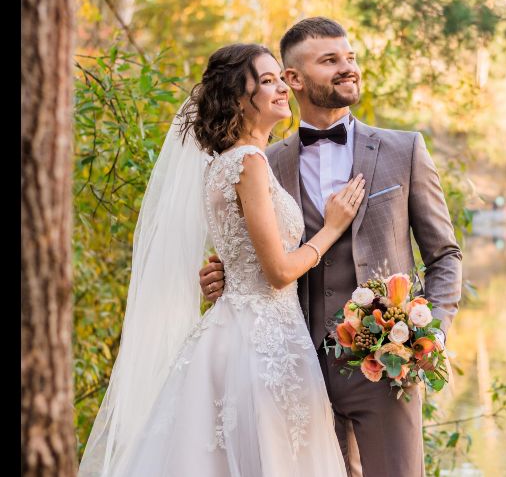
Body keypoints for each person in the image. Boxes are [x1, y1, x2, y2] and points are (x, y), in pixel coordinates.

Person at [78, 43, 364, 476]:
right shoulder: (249, 162)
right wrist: (332, 227)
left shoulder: (223, 164)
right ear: (236, 98)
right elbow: (277, 272)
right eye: (266, 81)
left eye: (279, 78)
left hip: (235, 331)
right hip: (264, 342)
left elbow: (241, 254)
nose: (282, 88)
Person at [200, 17, 463, 477]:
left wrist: (430, 334)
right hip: (291, 367)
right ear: (294, 79)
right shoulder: (264, 159)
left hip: (384, 367)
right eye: (330, 61)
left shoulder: (405, 150)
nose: (348, 68)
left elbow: (444, 255)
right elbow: (257, 249)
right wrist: (224, 274)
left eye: (350, 58)